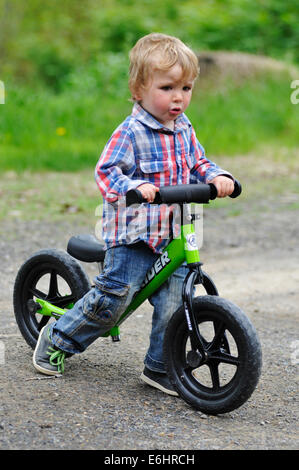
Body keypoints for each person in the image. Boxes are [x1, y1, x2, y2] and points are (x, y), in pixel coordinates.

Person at [33, 33, 234, 396]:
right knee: (114, 300)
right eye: (168, 87)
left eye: (186, 88)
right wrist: (133, 188)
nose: (179, 97)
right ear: (138, 89)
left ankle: (160, 367)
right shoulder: (131, 131)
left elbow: (199, 162)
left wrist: (217, 177)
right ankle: (57, 338)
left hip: (171, 233)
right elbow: (107, 171)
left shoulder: (185, 128)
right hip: (134, 235)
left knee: (174, 302)